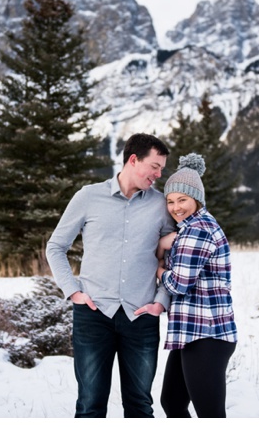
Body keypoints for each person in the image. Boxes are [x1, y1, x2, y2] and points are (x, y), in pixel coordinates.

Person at [46, 133, 177, 418]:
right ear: (133, 160)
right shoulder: (88, 197)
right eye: (155, 166)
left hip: (141, 316)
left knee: (140, 405)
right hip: (93, 315)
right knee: (90, 405)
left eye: (161, 169)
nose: (158, 174)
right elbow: (55, 247)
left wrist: (161, 301)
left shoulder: (160, 205)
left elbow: (171, 257)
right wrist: (73, 292)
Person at [155, 153, 238, 418]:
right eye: (170, 201)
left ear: (197, 200)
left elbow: (179, 283)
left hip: (207, 335)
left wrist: (160, 271)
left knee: (210, 414)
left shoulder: (197, 229)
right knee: (172, 403)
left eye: (183, 200)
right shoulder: (190, 227)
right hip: (192, 332)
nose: (176, 207)